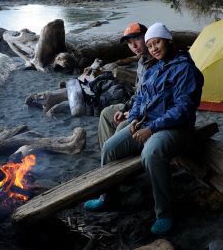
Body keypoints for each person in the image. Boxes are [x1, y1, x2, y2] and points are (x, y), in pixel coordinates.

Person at [83, 22, 204, 236]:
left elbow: (183, 109)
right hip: (149, 123)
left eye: (156, 42)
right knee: (110, 148)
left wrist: (151, 128)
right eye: (150, 45)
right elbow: (140, 97)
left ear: (168, 41)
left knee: (152, 152)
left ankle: (165, 213)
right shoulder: (153, 68)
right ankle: (109, 197)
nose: (154, 48)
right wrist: (136, 116)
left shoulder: (185, 69)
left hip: (177, 128)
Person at [96, 22, 153, 150]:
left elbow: (153, 98)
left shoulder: (155, 62)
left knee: (122, 126)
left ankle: (113, 151)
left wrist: (133, 113)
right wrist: (125, 109)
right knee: (106, 113)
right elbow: (138, 94)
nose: (133, 46)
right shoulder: (141, 61)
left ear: (147, 37)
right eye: (129, 42)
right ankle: (109, 157)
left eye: (137, 39)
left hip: (147, 112)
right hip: (137, 106)